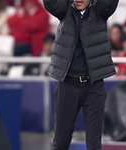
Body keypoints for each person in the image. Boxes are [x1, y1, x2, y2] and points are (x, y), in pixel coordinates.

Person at [43, 0, 119, 150]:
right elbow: (50, 3)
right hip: (67, 85)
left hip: (94, 86)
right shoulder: (64, 9)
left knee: (94, 145)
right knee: (60, 143)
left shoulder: (100, 10)